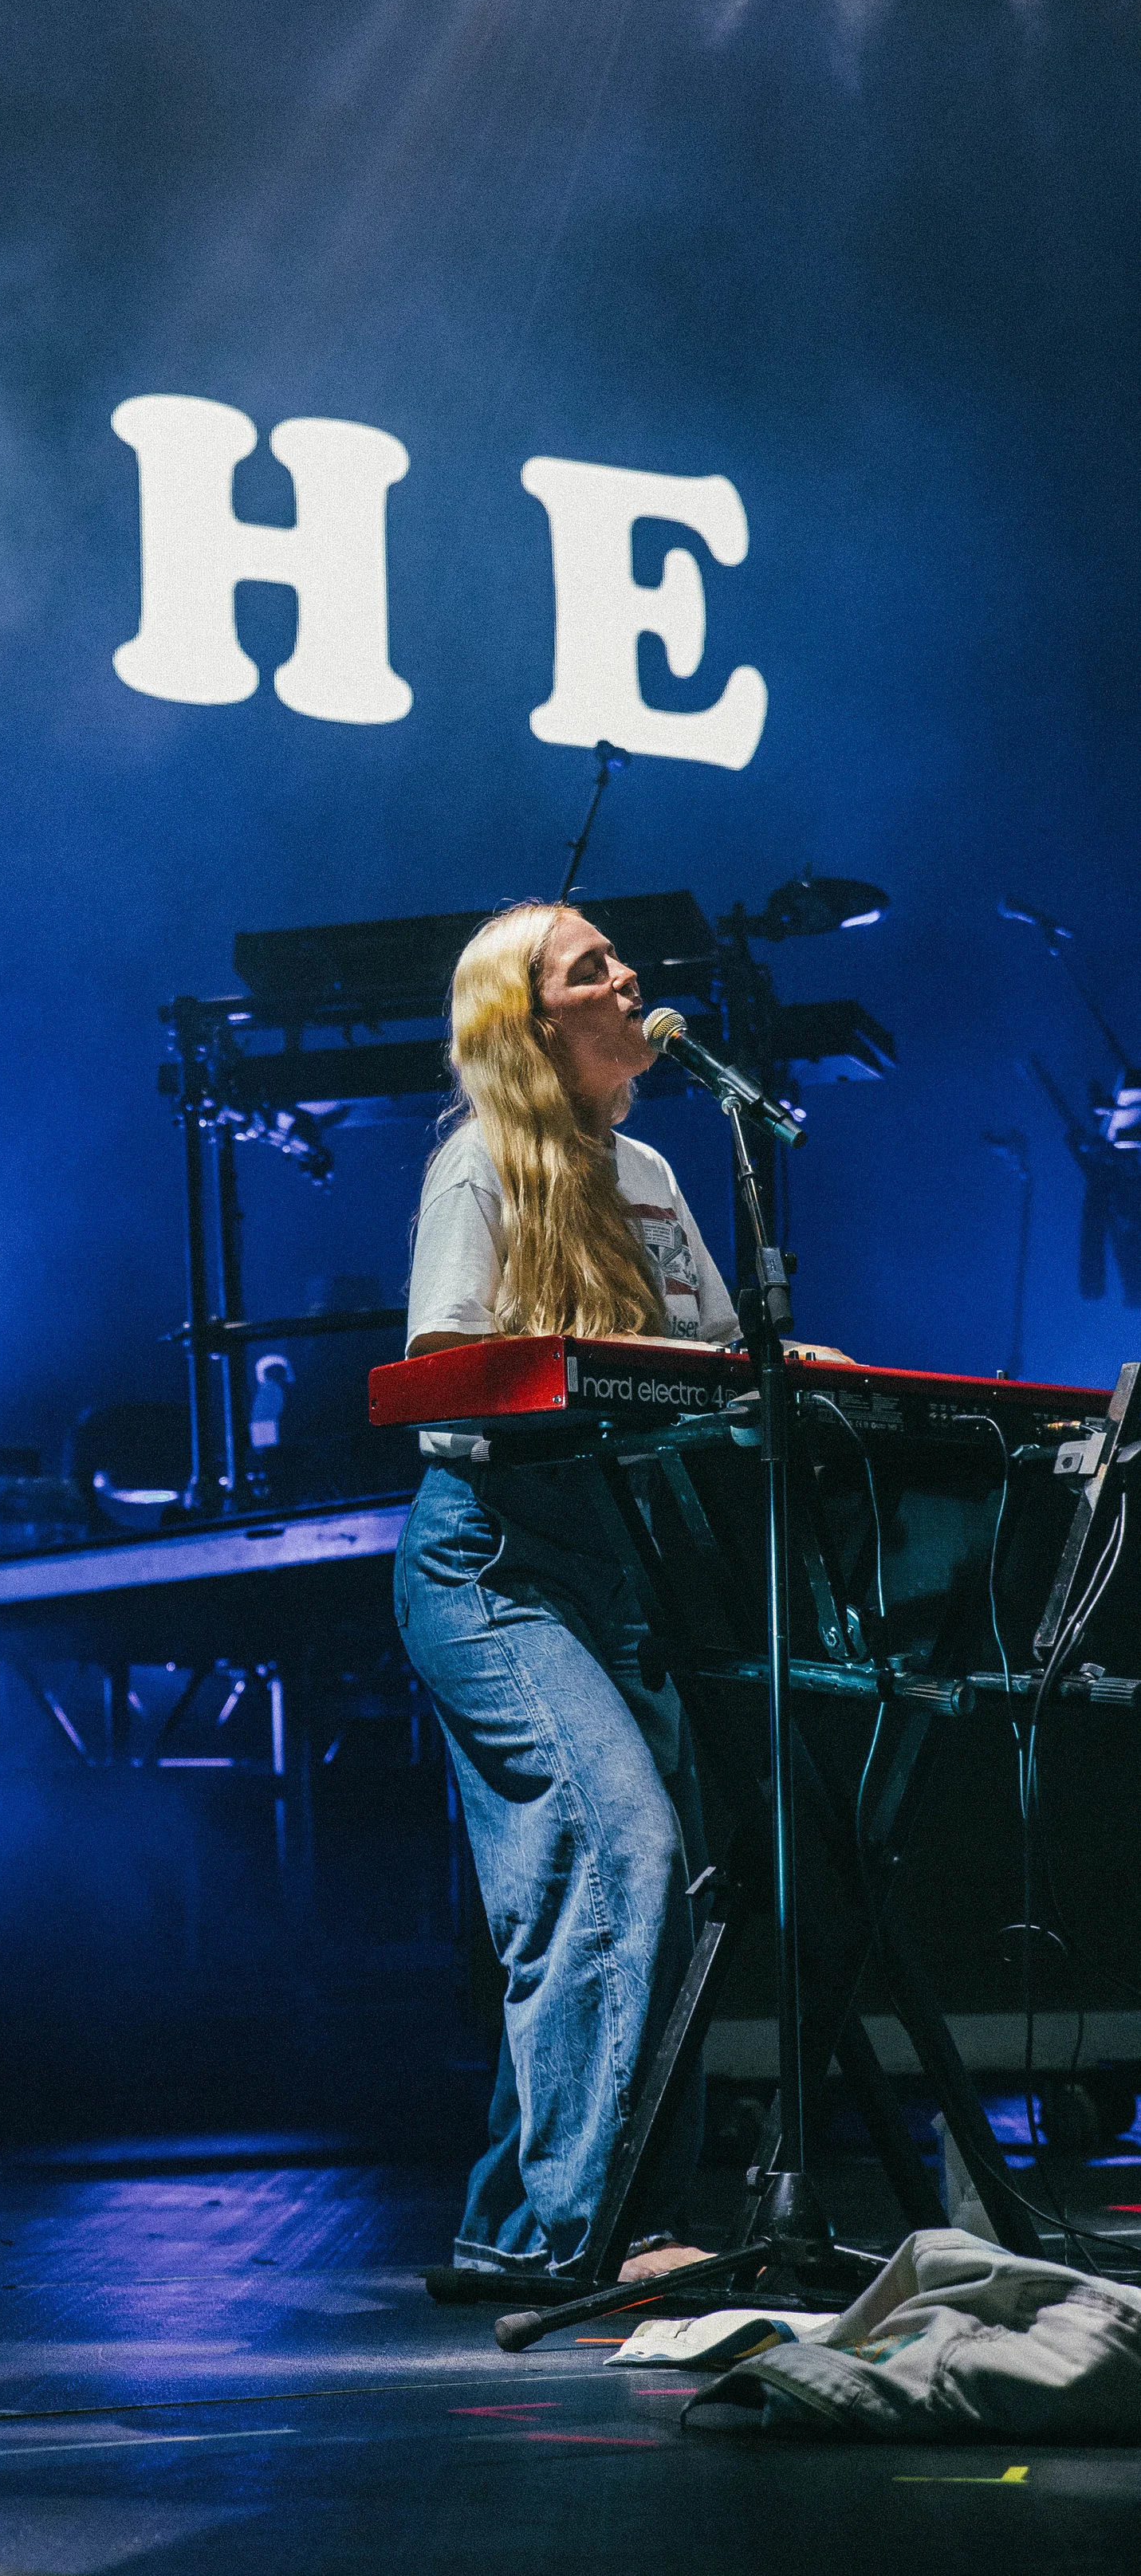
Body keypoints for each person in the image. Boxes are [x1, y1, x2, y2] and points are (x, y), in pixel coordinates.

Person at [394, 898, 742, 2288]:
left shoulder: (650, 1168)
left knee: (665, 1880)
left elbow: (714, 1356)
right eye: (590, 965)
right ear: (531, 1022)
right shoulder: (478, 1165)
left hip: (622, 1568)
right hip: (492, 1562)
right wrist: (582, 1367)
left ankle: (528, 2215)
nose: (627, 975)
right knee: (619, 1851)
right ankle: (582, 2230)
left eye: (619, 957)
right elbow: (440, 1369)